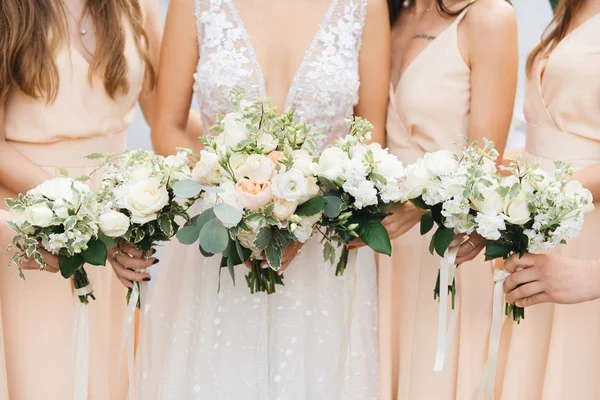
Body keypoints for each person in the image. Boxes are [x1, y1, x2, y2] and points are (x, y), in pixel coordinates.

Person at [143, 0, 390, 397]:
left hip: (323, 252)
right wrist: (234, 202)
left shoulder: (365, 6)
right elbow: (166, 128)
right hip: (218, 240)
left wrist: (304, 213)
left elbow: (370, 139)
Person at [0, 0, 200, 397]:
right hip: (32, 231)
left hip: (119, 233)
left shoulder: (135, 5)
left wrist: (238, 155)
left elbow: (166, 118)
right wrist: (82, 212)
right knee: (43, 374)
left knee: (108, 376)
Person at [379, 0, 518, 398]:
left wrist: (416, 203)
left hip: (446, 244)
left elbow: (484, 158)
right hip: (378, 244)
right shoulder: (388, 13)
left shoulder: (488, 18)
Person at [495, 1, 600, 398]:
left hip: (583, 236)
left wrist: (590, 275)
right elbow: (559, 142)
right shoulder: (568, 10)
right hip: (542, 235)